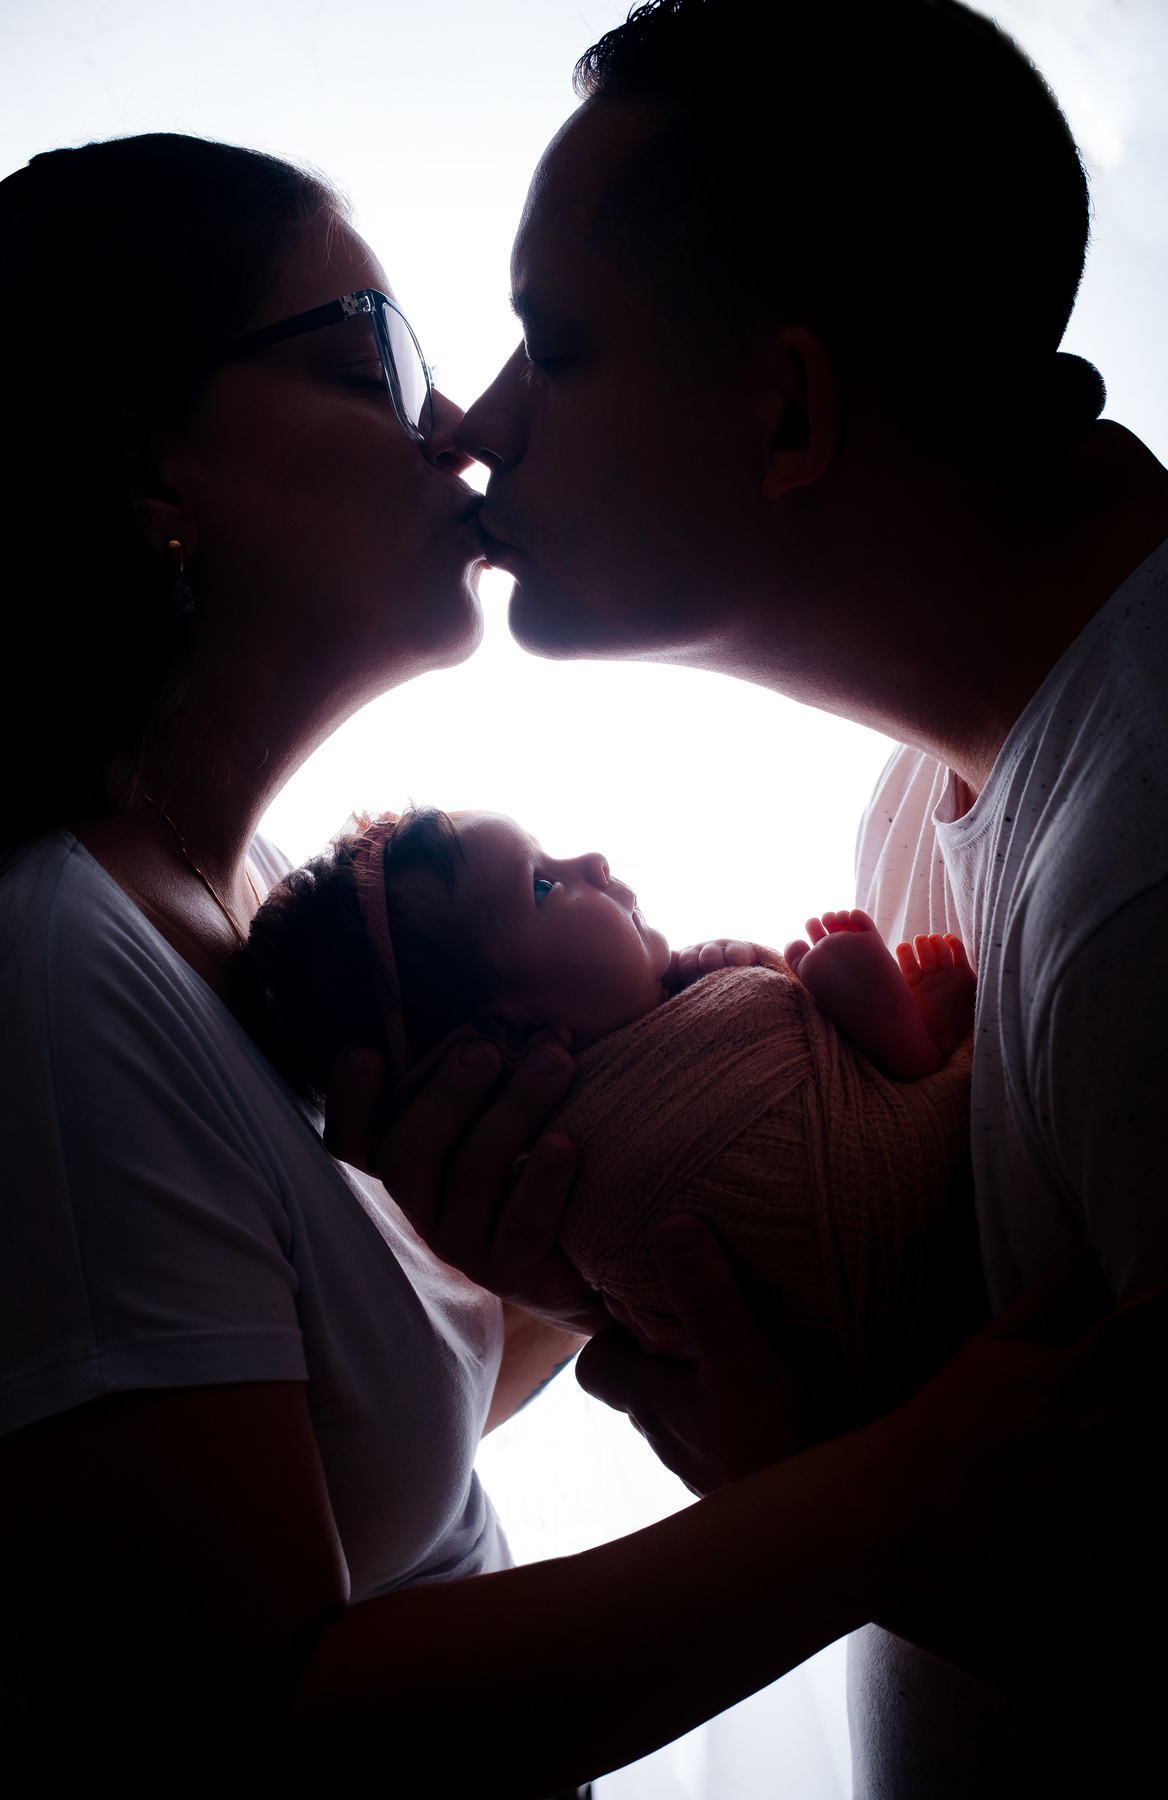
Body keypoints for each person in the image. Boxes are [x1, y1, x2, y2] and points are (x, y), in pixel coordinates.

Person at [0, 128, 1138, 1797]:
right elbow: (230, 1743)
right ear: (155, 478)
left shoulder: (253, 919)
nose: (455, 421)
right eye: (375, 359)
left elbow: (346, 1475)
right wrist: (895, 1494)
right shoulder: (57, 971)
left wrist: (564, 1261)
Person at [448, 0, 1168, 1790]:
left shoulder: (1147, 875)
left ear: (785, 411)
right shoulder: (925, 803)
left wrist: (812, 1512)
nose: (477, 423)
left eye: (554, 346)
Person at [237, 804, 978, 1410]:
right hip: (924, 1233)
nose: (591, 863)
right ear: (508, 1033)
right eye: (541, 886)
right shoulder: (577, 1166)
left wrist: (738, 974)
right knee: (836, 971)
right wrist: (772, 983)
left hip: (887, 1381)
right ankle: (925, 1051)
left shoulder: (552, 1181)